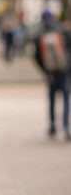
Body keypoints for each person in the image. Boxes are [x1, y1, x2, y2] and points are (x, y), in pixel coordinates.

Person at [34, 10, 71, 140]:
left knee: (52, 99)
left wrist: (45, 71)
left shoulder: (40, 33)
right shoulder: (62, 30)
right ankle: (66, 126)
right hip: (64, 71)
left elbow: (37, 56)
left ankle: (52, 126)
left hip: (50, 73)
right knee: (66, 98)